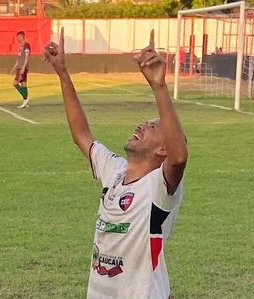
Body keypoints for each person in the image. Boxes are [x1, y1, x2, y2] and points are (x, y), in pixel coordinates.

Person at [43, 28, 188, 299]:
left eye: (153, 126)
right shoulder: (115, 170)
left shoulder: (159, 190)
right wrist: (63, 73)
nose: (142, 124)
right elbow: (82, 135)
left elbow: (179, 158)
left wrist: (158, 85)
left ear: (163, 148)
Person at [11, 31, 31, 108]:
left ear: (22, 36)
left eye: (18, 37)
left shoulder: (26, 45)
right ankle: (25, 101)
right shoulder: (21, 46)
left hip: (22, 68)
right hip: (19, 67)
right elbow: (19, 58)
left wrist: (23, 67)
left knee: (15, 83)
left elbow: (27, 57)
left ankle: (26, 98)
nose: (17, 39)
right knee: (23, 84)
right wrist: (14, 67)